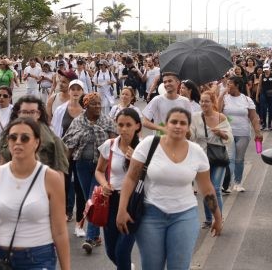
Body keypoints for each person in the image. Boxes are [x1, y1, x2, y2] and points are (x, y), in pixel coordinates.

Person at [116, 108, 222, 270]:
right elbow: (131, 178)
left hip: (184, 215)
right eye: (173, 122)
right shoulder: (148, 145)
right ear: (166, 124)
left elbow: (207, 188)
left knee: (178, 266)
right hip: (150, 215)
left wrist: (217, 217)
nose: (177, 126)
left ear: (188, 127)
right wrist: (122, 209)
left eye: (182, 123)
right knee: (152, 266)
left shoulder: (197, 152)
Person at [0, 117, 70, 270]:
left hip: (38, 259)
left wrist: (66, 268)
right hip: (2, 258)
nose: (18, 142)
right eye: (13, 137)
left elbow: (59, 231)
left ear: (36, 142)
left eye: (25, 138)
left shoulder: (50, 178)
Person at [62, 92, 117, 254]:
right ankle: (96, 236)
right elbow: (70, 143)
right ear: (86, 105)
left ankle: (91, 238)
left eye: (99, 103)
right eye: (94, 104)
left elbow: (114, 144)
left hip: (102, 167)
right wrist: (64, 167)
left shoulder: (107, 121)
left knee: (94, 198)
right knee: (89, 199)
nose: (98, 106)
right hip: (82, 166)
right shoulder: (78, 122)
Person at [94, 108, 140, 270]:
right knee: (111, 251)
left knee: (122, 252)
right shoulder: (109, 145)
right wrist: (104, 184)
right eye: (120, 125)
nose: (124, 129)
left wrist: (136, 160)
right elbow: (99, 170)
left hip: (133, 203)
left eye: (128, 125)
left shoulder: (143, 148)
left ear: (137, 126)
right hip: (111, 201)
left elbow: (150, 176)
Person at [190, 90, 232, 228]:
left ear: (213, 102)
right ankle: (209, 219)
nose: (203, 104)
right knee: (205, 189)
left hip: (218, 157)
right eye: (201, 101)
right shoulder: (195, 117)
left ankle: (218, 218)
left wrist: (221, 133)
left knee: (215, 188)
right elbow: (191, 137)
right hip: (202, 158)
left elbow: (229, 138)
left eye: (207, 101)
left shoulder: (221, 118)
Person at [50, 79, 87, 237]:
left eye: (79, 89)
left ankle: (80, 223)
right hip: (64, 155)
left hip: (81, 156)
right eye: (73, 89)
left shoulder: (87, 111)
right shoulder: (60, 110)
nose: (75, 91)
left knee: (80, 189)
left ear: (82, 92)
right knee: (61, 187)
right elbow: (55, 131)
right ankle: (62, 215)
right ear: (69, 91)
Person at [0, 96, 69, 174]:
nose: (28, 115)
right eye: (24, 112)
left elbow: (60, 170)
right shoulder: (8, 135)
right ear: (18, 113)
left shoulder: (52, 139)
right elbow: (2, 163)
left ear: (38, 114)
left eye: (32, 112)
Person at [222, 75, 262, 192]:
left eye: (230, 84)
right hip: (227, 133)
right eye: (227, 83)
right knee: (229, 158)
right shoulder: (224, 98)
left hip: (243, 133)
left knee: (239, 159)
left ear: (237, 85)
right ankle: (227, 184)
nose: (227, 86)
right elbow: (218, 112)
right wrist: (220, 95)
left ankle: (238, 183)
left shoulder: (246, 99)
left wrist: (257, 131)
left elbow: (253, 117)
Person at [256, 65, 272, 130]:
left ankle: (269, 124)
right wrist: (257, 96)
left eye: (267, 69)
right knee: (263, 109)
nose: (266, 71)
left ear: (269, 69)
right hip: (263, 94)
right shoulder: (262, 75)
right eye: (265, 69)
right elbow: (259, 86)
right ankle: (264, 124)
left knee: (271, 109)